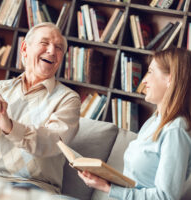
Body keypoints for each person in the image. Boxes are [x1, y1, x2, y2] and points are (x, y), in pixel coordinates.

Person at [0, 22, 81, 194]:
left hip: (33, 185)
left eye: (59, 47)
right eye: (44, 43)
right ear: (24, 49)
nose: (52, 51)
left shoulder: (68, 99)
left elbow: (53, 142)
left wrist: (10, 127)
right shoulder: (0, 88)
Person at [78, 48, 191, 199]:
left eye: (150, 72)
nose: (144, 80)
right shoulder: (154, 120)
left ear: (170, 79)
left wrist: (108, 188)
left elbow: (165, 196)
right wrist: (104, 179)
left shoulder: (175, 130)